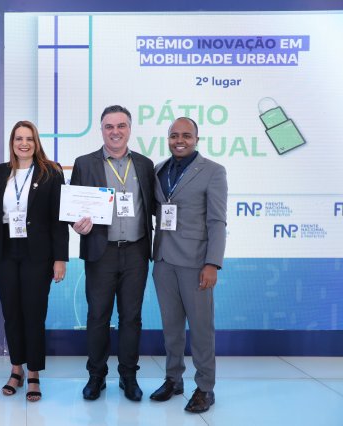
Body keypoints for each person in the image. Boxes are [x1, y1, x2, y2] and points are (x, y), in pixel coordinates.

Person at [70, 105, 155, 401]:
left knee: (131, 317)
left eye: (121, 126)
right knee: (98, 316)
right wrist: (76, 224)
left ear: (129, 129)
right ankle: (96, 376)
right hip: (100, 251)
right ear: (101, 130)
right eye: (109, 126)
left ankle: (128, 376)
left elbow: (154, 206)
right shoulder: (85, 163)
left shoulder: (145, 164)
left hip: (136, 251)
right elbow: (73, 207)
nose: (115, 131)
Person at [0, 121, 69, 402]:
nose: (24, 143)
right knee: (11, 313)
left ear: (36, 142)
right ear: (12, 142)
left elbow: (59, 219)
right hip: (5, 250)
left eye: (29, 139)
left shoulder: (51, 172)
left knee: (34, 313)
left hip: (38, 253)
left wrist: (60, 258)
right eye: (19, 138)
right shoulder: (0, 171)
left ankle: (33, 373)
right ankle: (16, 369)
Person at [150, 117, 227, 413]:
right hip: (163, 260)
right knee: (171, 327)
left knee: (201, 328)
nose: (179, 140)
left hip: (196, 263)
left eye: (186, 135)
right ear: (168, 138)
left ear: (196, 138)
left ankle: (205, 388)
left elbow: (217, 221)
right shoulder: (159, 169)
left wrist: (212, 263)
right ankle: (174, 379)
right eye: (174, 135)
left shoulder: (213, 171)